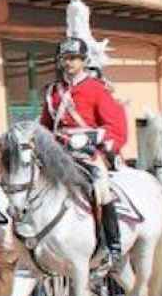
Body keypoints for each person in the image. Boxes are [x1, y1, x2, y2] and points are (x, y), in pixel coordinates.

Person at [39, 22, 127, 269]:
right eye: (65, 58)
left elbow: (115, 129)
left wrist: (89, 139)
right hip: (57, 156)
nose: (69, 63)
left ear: (83, 61)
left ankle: (112, 243)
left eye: (74, 58)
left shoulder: (96, 89)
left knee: (101, 188)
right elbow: (45, 126)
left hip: (87, 154)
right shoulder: (52, 92)